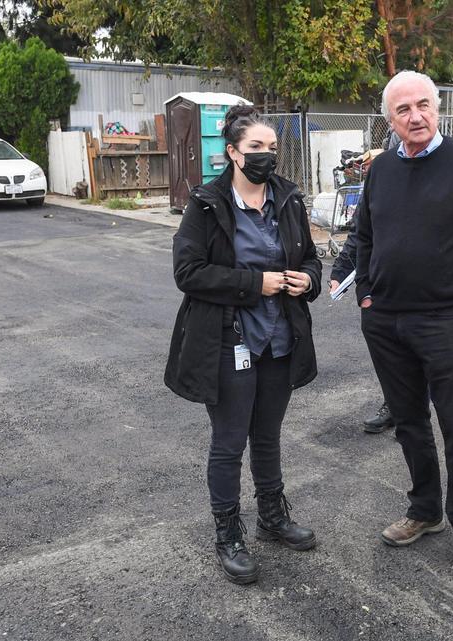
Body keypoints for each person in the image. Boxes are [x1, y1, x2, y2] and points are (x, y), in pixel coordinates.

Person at [354, 70, 453, 579]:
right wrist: (365, 297)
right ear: (390, 120)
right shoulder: (380, 171)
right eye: (403, 110)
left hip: (446, 319)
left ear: (437, 108)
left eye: (423, 104)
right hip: (386, 320)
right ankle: (425, 511)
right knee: (408, 424)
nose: (415, 116)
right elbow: (364, 235)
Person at [165, 105, 323, 586]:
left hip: (280, 339)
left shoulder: (288, 200)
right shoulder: (207, 203)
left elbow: (313, 261)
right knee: (230, 442)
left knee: (268, 436)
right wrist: (257, 284)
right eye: (255, 147)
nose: (265, 156)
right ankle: (228, 533)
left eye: (272, 148)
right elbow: (188, 273)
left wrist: (306, 282)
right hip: (228, 339)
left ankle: (272, 518)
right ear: (232, 152)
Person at [329, 227, 394, 434]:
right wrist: (339, 272)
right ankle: (395, 405)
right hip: (377, 289)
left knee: (419, 357)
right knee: (386, 354)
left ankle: (413, 416)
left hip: (423, 290)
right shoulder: (374, 193)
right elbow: (360, 233)